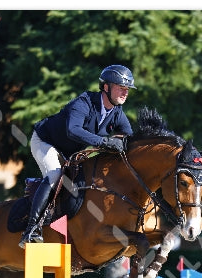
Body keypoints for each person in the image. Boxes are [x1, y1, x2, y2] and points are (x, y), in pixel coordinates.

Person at [19, 64, 137, 247]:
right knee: (54, 175)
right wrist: (105, 142)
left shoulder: (117, 113)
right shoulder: (83, 103)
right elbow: (73, 130)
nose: (125, 92)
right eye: (121, 88)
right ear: (106, 87)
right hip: (46, 142)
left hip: (69, 152)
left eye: (127, 89)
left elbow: (130, 139)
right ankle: (31, 229)